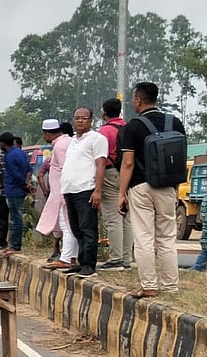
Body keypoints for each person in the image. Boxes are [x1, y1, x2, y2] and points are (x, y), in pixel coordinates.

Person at [118, 82, 187, 298]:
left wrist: (121, 193)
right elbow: (179, 160)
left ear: (138, 100)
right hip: (167, 186)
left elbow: (128, 163)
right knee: (167, 237)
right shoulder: (174, 122)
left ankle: (149, 286)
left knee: (144, 236)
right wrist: (175, 189)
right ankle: (170, 286)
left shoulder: (133, 126)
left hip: (140, 187)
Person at [62, 108, 109, 278]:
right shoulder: (73, 141)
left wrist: (97, 190)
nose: (80, 121)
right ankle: (82, 262)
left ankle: (89, 264)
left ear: (91, 121)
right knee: (76, 228)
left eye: (84, 118)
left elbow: (101, 165)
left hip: (86, 189)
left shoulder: (97, 139)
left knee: (88, 228)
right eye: (77, 118)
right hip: (70, 190)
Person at [36, 120, 77, 271]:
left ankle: (66, 258)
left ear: (47, 133)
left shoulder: (60, 146)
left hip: (63, 193)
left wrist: (64, 194)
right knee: (70, 226)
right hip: (64, 192)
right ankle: (72, 256)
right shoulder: (67, 142)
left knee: (67, 226)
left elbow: (65, 170)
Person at [98, 98, 134, 270]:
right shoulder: (127, 127)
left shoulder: (104, 131)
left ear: (104, 112)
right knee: (127, 218)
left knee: (114, 218)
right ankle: (126, 259)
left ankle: (115, 259)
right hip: (129, 174)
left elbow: (100, 157)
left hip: (110, 173)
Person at [0, 132, 32, 255]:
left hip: (13, 189)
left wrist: (24, 183)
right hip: (20, 189)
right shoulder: (20, 152)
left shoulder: (9, 156)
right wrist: (27, 183)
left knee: (15, 218)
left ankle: (15, 245)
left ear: (3, 143)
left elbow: (15, 174)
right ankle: (14, 244)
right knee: (17, 217)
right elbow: (28, 169)